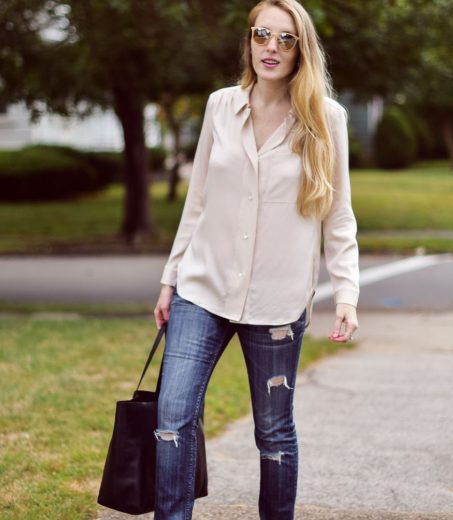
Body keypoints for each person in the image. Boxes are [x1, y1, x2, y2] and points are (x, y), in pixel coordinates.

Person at [153, 0, 359, 518]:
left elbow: (338, 216)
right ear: (249, 41)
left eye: (285, 39)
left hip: (276, 301)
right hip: (203, 287)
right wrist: (169, 279)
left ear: (300, 49)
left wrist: (347, 293)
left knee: (273, 431)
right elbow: (196, 201)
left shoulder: (325, 119)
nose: (271, 47)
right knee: (172, 416)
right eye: (262, 35)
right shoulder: (221, 105)